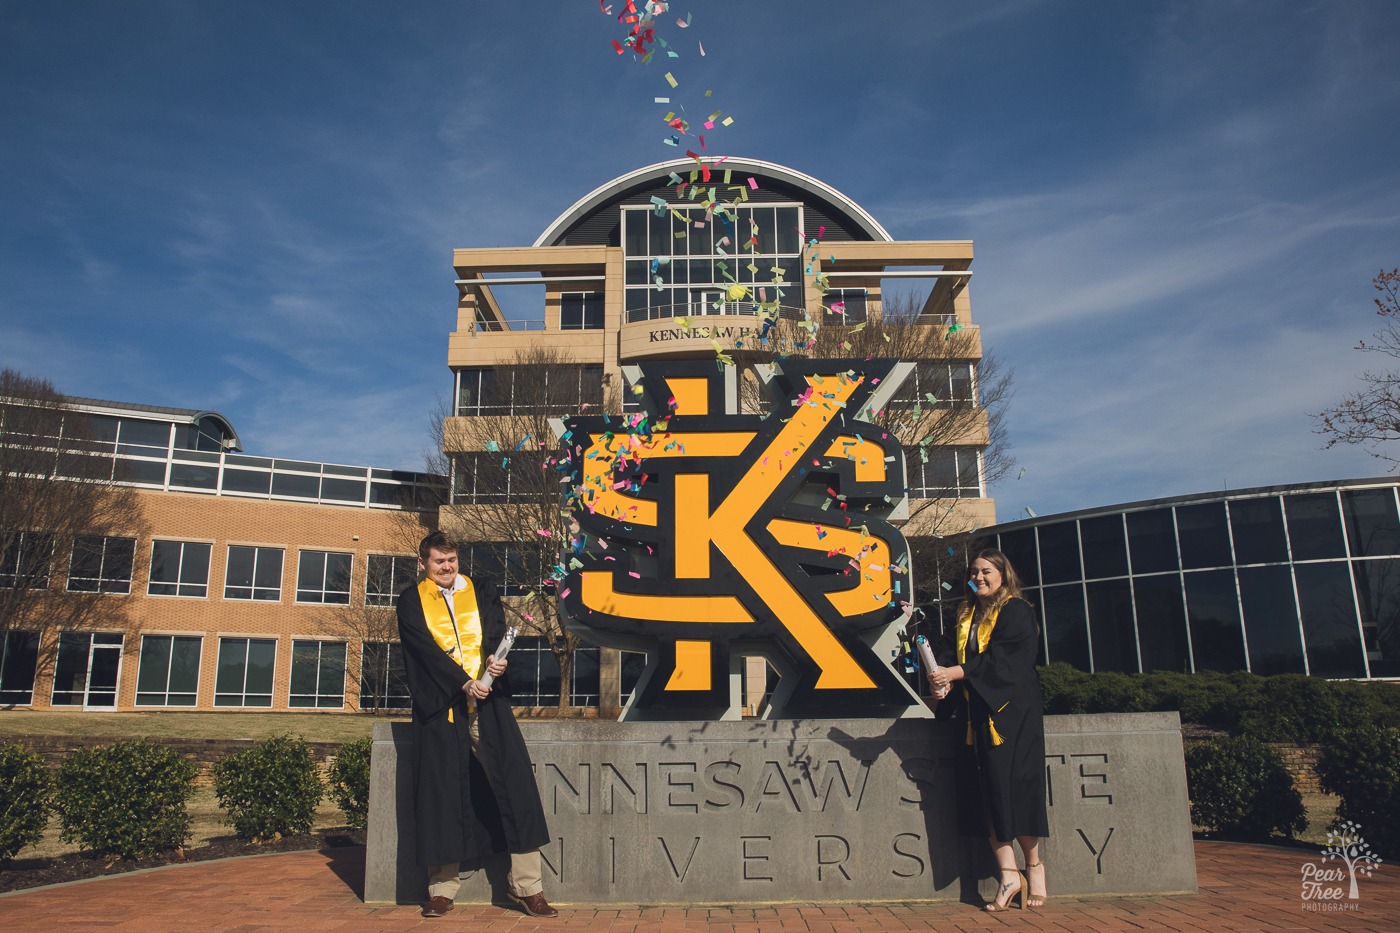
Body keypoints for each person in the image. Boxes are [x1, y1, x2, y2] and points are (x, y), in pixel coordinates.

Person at [396, 531, 557, 920]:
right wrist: (460, 682)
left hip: (488, 706)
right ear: (424, 564)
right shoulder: (411, 600)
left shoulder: (481, 588)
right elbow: (424, 652)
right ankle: (442, 889)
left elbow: (496, 630)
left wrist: (494, 663)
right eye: (438, 562)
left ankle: (526, 887)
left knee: (516, 785)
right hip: (442, 710)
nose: (447, 567)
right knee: (441, 795)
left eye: (451, 560)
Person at [926, 549, 1049, 911]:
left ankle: (1035, 867)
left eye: (986, 571)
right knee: (985, 792)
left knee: (1016, 788)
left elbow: (1005, 660)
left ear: (1003, 574)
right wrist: (943, 682)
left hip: (1012, 715)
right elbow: (953, 657)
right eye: (974, 572)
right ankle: (1008, 874)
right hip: (974, 715)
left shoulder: (1016, 611)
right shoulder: (966, 615)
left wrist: (957, 674)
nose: (978, 577)